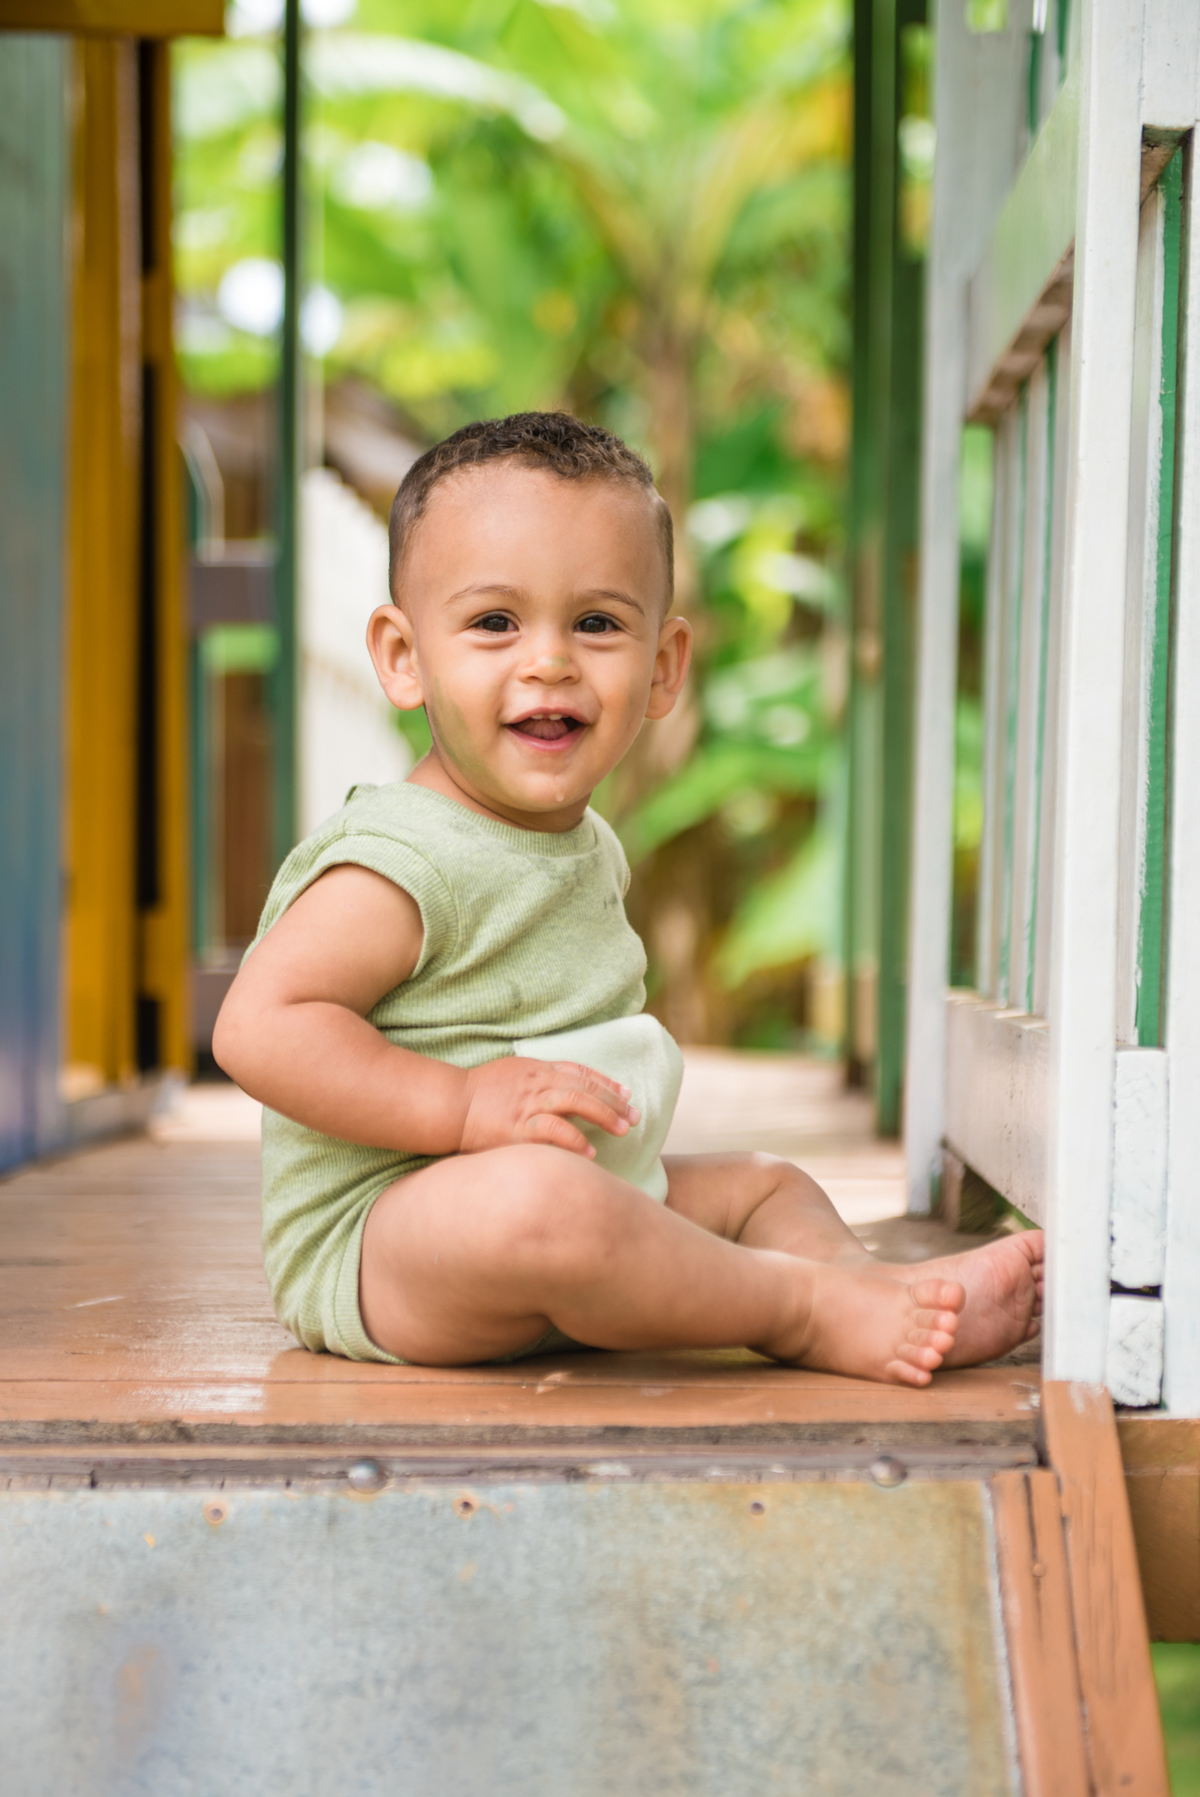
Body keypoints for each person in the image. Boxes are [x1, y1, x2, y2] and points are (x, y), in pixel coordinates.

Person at [214, 412, 1043, 1385]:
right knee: (546, 1209)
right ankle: (804, 1310)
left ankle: (870, 1294)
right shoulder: (400, 857)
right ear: (403, 658)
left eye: (597, 623)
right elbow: (259, 1029)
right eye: (494, 623)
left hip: (575, 1198)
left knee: (767, 1186)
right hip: (389, 1239)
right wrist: (460, 1105)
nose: (550, 660)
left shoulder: (589, 847)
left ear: (662, 668)